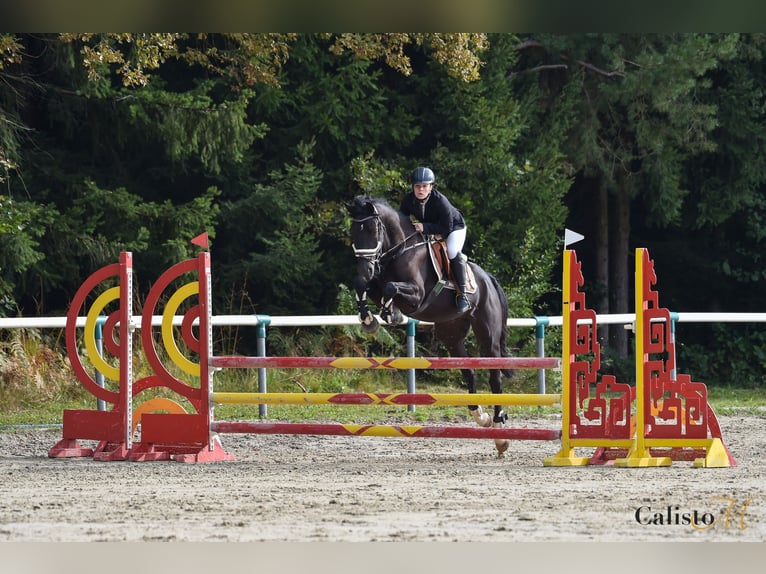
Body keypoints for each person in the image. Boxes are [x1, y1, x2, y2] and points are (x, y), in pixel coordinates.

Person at [400, 166, 471, 313]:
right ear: (413, 187)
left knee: (451, 251)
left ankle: (462, 295)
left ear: (431, 186)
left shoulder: (440, 201)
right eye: (417, 186)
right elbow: (401, 219)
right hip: (432, 229)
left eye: (425, 186)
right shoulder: (408, 200)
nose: (420, 190)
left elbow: (447, 227)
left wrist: (425, 228)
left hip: (454, 228)